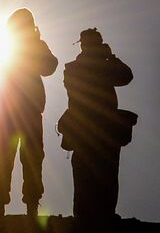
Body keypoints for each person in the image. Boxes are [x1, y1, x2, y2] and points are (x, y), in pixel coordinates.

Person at [0, 8, 58, 217]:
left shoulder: (32, 45)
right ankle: (2, 204)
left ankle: (29, 204)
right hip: (12, 112)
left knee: (28, 159)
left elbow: (51, 65)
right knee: (6, 157)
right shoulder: (6, 44)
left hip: (23, 112)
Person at [62, 28, 134, 219]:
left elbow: (127, 76)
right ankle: (93, 216)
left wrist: (110, 58)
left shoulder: (74, 68)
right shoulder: (76, 68)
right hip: (93, 128)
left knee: (98, 173)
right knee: (99, 173)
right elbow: (125, 76)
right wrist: (110, 58)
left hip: (90, 128)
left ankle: (95, 216)